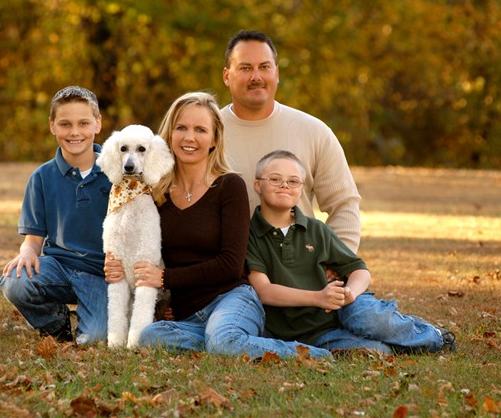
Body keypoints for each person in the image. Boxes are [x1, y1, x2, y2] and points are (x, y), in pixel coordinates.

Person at [105, 92, 332, 359]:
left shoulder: (229, 186)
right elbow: (136, 245)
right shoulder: (153, 192)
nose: (190, 137)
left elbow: (231, 264)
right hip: (188, 313)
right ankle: (229, 341)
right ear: (169, 135)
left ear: (214, 139)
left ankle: (310, 354)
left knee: (222, 341)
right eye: (181, 128)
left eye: (200, 130)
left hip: (232, 299)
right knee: (150, 337)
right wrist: (115, 264)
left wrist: (166, 278)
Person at [246, 150, 457, 354]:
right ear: (257, 185)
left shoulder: (316, 230)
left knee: (369, 319)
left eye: (293, 181)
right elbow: (264, 290)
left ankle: (436, 336)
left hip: (347, 306)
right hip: (311, 333)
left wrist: (350, 293)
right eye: (275, 179)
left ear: (301, 188)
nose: (284, 185)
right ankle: (398, 330)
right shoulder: (249, 234)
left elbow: (359, 270)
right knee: (377, 351)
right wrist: (318, 298)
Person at [221, 30, 361, 253]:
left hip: (299, 267)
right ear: (227, 76)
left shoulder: (314, 131)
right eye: (245, 68)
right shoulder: (206, 133)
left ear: (276, 73)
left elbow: (344, 204)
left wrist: (337, 261)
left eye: (264, 67)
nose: (256, 76)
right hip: (226, 269)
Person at [0, 85, 111, 345]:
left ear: (98, 123)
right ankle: (55, 323)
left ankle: (90, 320)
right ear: (53, 126)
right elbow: (33, 239)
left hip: (101, 274)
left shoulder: (117, 172)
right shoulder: (42, 177)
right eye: (65, 124)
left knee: (94, 339)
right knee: (15, 281)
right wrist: (27, 252)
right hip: (58, 267)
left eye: (83, 123)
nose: (74, 132)